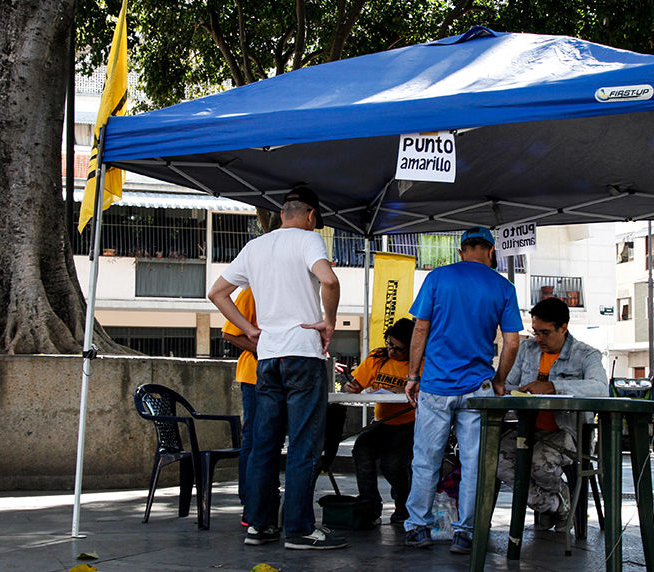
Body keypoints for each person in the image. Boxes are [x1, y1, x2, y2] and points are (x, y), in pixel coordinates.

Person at [208, 186, 345, 550]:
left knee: (264, 446)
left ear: (283, 212)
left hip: (267, 357)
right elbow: (329, 280)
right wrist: (328, 321)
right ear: (311, 216)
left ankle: (259, 525)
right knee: (303, 444)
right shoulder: (308, 241)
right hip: (303, 353)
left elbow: (216, 292)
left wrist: (251, 328)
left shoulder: (255, 246)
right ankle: (299, 530)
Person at [403, 226, 521, 555]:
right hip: (479, 389)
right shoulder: (503, 286)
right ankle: (465, 533)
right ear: (491, 252)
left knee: (426, 460)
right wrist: (499, 380)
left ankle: (417, 527)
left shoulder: (438, 278)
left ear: (461, 251)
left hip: (437, 385)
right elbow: (512, 341)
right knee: (474, 464)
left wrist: (413, 374)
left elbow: (420, 328)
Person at [496, 297, 607, 528]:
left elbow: (600, 389)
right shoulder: (527, 350)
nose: (538, 339)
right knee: (493, 459)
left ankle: (553, 505)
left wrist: (555, 386)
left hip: (567, 432)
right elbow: (508, 385)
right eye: (535, 332)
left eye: (545, 333)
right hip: (527, 428)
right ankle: (555, 504)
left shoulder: (586, 355)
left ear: (563, 328)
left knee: (539, 462)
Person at [341, 318, 418, 525]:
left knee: (393, 464)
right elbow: (357, 382)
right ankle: (369, 505)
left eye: (399, 349)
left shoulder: (420, 362)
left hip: (408, 424)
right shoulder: (378, 357)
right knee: (362, 448)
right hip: (382, 421)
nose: (392, 351)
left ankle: (403, 504)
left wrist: (404, 390)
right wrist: (352, 387)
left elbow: (427, 391)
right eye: (389, 344)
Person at [220, 287, 261, 526]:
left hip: (282, 375)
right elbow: (230, 334)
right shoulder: (251, 292)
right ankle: (249, 503)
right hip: (254, 376)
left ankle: (265, 498)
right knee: (254, 438)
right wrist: (265, 350)